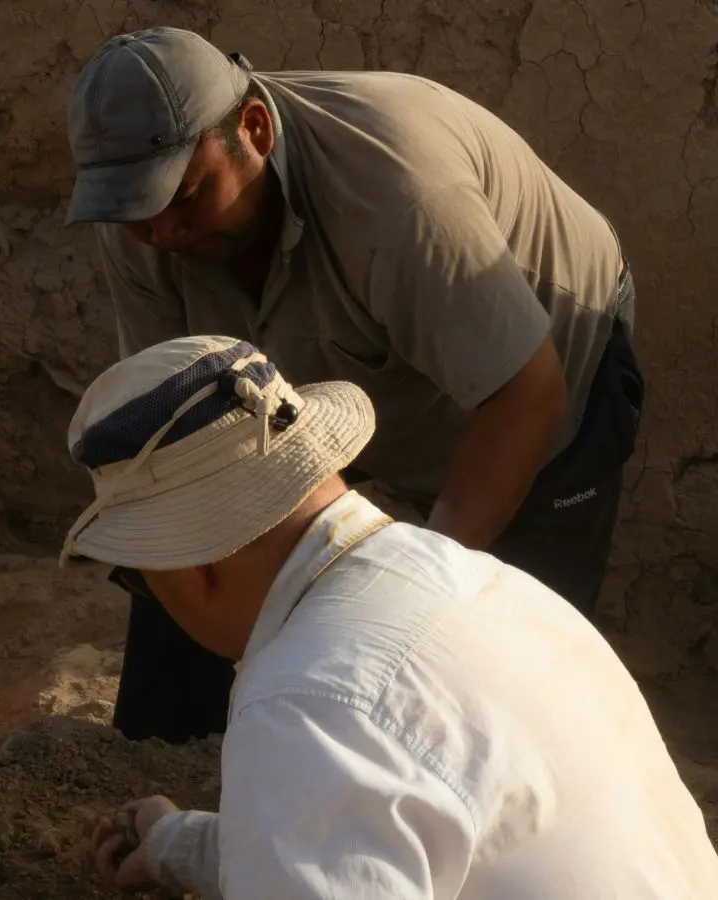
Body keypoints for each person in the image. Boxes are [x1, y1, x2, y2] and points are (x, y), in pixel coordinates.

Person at [64, 26, 645, 743]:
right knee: (194, 546)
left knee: (498, 660)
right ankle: (167, 752)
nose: (162, 231)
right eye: (135, 212)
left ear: (254, 129)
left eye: (183, 197)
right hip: (339, 364)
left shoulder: (395, 193)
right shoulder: (147, 220)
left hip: (541, 367)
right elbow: (183, 441)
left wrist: (416, 595)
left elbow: (527, 395)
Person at [64, 335, 717, 898]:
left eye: (138, 576)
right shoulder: (482, 583)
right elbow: (398, 827)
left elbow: (341, 767)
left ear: (189, 567)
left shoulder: (303, 704)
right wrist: (177, 842)